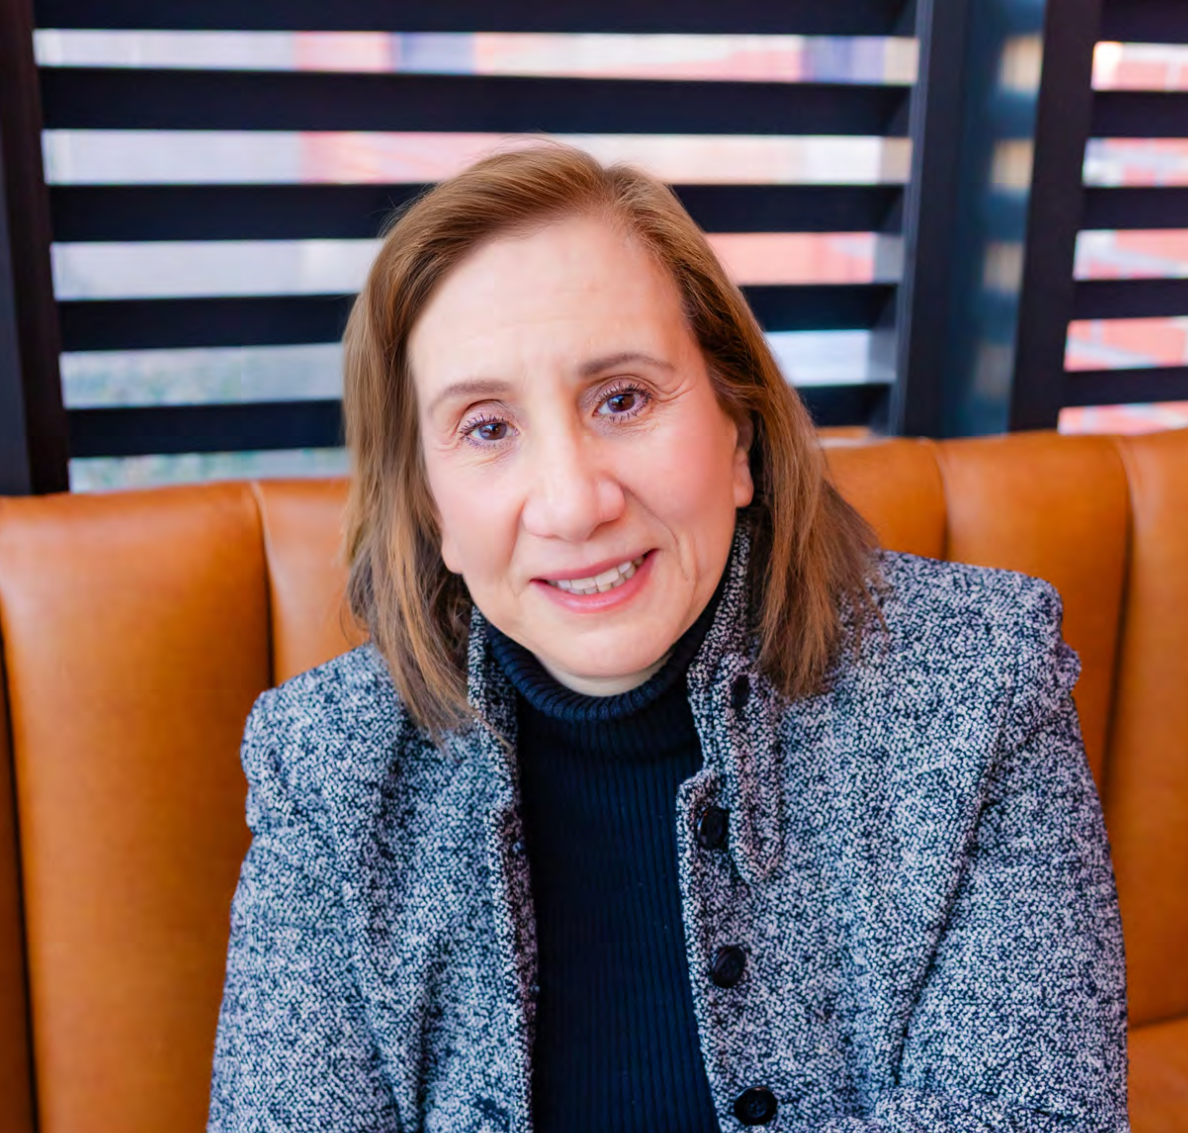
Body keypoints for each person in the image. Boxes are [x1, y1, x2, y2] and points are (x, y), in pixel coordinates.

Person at [207, 143, 1127, 1132]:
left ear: (740, 434)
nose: (572, 504)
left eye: (623, 399)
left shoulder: (984, 681)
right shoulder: (327, 770)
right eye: (486, 428)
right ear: (433, 513)